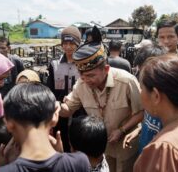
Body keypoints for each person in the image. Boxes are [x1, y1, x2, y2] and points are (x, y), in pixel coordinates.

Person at [60, 35, 143, 172]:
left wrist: (121, 130)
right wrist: (57, 107)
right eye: (82, 75)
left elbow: (141, 112)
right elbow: (68, 109)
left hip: (126, 145)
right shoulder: (81, 84)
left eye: (91, 75)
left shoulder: (126, 81)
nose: (86, 80)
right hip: (101, 150)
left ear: (106, 69)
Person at [0, 82, 90, 172]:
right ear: (55, 117)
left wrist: (3, 166)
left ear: (8, 123)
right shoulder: (80, 163)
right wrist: (61, 156)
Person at [123, 44, 167, 153]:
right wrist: (139, 130)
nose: (142, 74)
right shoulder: (149, 95)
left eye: (145, 69)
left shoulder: (168, 104)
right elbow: (149, 122)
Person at [47, 25, 84, 152]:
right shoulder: (54, 65)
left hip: (79, 111)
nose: (68, 47)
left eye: (72, 43)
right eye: (65, 43)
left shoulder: (84, 64)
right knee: (61, 140)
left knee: (78, 141)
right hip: (59, 112)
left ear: (78, 44)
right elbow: (49, 90)